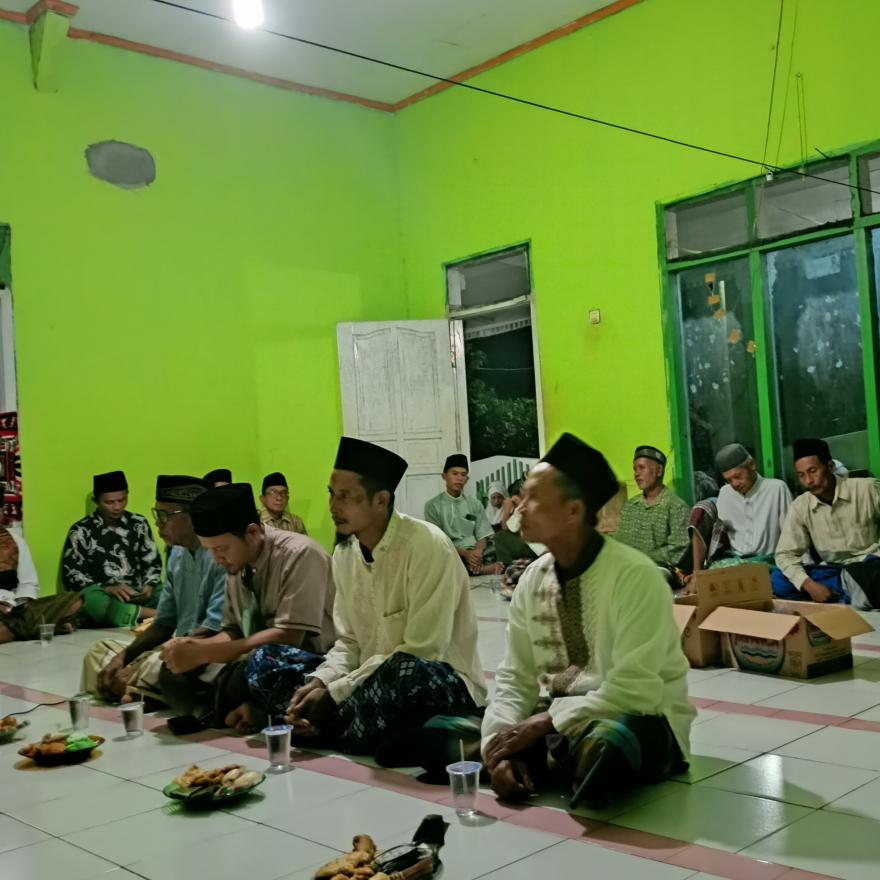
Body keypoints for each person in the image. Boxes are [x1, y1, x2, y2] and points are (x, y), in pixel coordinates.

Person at [482, 433, 693, 808]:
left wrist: (544, 723)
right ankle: (547, 759)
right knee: (447, 733)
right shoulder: (532, 579)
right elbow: (515, 677)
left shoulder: (637, 576)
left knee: (609, 742)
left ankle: (553, 757)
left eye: (534, 497)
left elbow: (636, 690)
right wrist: (497, 746)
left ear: (573, 511)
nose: (520, 508)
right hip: (561, 713)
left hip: (638, 714)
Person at [285, 437, 486, 767]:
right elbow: (349, 642)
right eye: (331, 493)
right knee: (272, 663)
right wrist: (321, 682)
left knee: (404, 671)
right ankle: (342, 726)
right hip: (368, 686)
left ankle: (329, 726)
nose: (333, 506)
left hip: (435, 682)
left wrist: (335, 694)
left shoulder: (426, 545)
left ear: (381, 500)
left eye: (345, 496)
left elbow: (424, 650)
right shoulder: (344, 554)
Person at [160, 483, 335, 733]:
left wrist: (205, 653)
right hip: (254, 660)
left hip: (309, 662)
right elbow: (233, 630)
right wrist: (193, 647)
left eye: (221, 549)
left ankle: (237, 710)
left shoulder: (300, 553)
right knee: (171, 669)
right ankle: (238, 709)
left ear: (252, 532)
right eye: (210, 551)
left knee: (256, 663)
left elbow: (289, 637)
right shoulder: (237, 562)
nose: (216, 560)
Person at [80, 475, 226, 703]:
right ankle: (140, 689)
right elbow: (164, 622)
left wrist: (152, 658)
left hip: (204, 652)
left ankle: (141, 688)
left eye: (164, 515)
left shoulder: (221, 555)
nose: (158, 523)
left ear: (191, 516)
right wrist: (125, 657)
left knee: (163, 666)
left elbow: (213, 629)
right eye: (157, 514)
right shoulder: (177, 553)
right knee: (99, 651)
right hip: (174, 648)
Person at [773, 438, 880, 604]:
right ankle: (855, 592)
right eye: (801, 475)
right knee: (778, 580)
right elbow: (785, 554)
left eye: (813, 471)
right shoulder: (800, 506)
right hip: (834, 570)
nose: (808, 481)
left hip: (871, 564)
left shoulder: (867, 489)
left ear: (830, 467)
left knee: (870, 575)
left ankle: (850, 591)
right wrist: (809, 585)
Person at [62, 470, 162, 627]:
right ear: (96, 501)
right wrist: (108, 588)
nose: (117, 507)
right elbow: (72, 575)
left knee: (165, 591)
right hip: (105, 597)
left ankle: (134, 613)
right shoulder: (80, 531)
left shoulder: (138, 523)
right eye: (109, 502)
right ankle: (154, 615)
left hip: (136, 594)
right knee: (90, 600)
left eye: (122, 500)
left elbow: (152, 561)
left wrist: (149, 584)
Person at [688, 443, 792, 581]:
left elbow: (791, 533)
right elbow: (720, 533)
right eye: (729, 480)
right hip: (734, 562)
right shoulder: (725, 493)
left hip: (768, 563)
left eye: (737, 476)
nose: (735, 484)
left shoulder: (776, 489)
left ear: (752, 465)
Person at [0, 511, 82, 644]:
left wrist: (21, 603)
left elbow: (28, 582)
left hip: (14, 609)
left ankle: (17, 629)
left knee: (74, 600)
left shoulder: (15, 541)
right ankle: (35, 628)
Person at [613, 446, 690, 585]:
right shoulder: (631, 506)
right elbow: (620, 542)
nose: (636, 474)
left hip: (660, 568)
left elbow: (679, 549)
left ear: (659, 470)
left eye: (641, 468)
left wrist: (642, 557)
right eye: (635, 469)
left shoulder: (676, 507)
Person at [424, 454, 500, 575]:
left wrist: (477, 553)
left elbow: (483, 534)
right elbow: (439, 540)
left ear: (467, 479)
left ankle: (473, 567)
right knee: (436, 554)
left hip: (475, 550)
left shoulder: (475, 504)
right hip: (452, 550)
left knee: (499, 544)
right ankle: (482, 569)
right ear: (444, 476)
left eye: (463, 475)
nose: (459, 478)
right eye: (454, 474)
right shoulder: (432, 506)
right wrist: (466, 554)